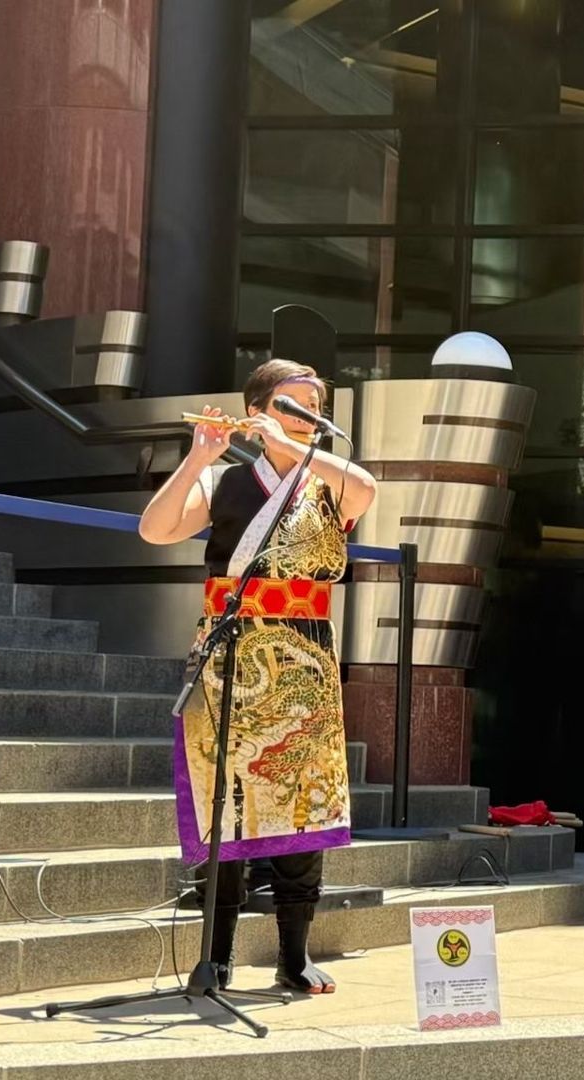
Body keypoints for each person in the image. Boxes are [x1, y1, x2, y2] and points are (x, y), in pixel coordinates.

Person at [138, 359, 378, 993]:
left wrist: (292, 444)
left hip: (303, 659)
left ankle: (292, 956)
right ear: (259, 407)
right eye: (290, 405)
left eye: (312, 408)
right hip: (230, 657)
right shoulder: (225, 481)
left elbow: (366, 487)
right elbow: (155, 530)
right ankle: (214, 956)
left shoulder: (327, 481)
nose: (305, 418)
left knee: (304, 804)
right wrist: (199, 457)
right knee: (226, 808)